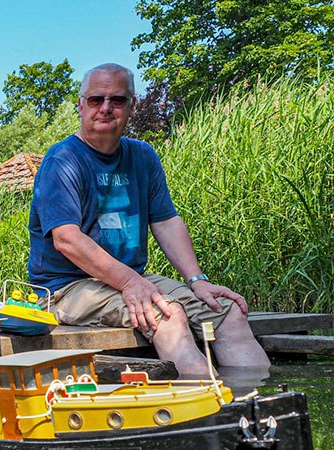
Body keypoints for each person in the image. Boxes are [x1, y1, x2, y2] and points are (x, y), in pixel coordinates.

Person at [28, 63, 269, 376]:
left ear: (132, 105)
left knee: (227, 312)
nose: (105, 108)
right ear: (81, 105)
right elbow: (66, 239)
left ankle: (258, 400)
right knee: (168, 315)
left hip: (130, 278)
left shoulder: (143, 156)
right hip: (66, 288)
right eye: (96, 99)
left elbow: (166, 222)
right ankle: (204, 402)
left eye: (117, 100)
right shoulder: (62, 160)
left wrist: (197, 280)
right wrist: (130, 283)